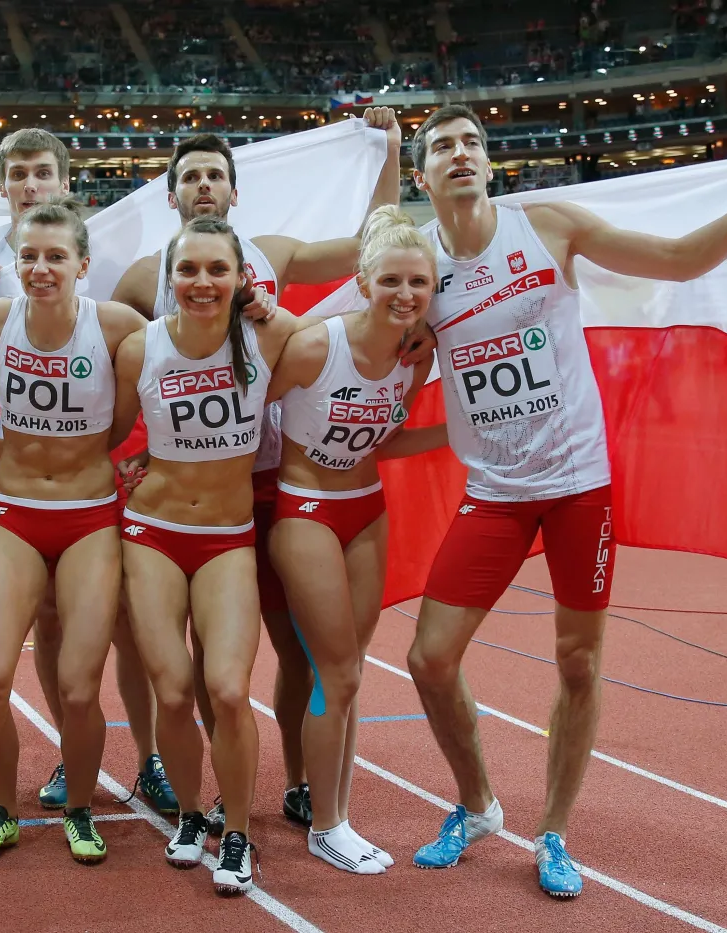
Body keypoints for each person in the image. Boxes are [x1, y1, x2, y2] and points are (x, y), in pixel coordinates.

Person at [403, 105, 727, 897]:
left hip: (575, 486)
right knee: (428, 657)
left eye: (472, 142)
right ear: (421, 175)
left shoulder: (547, 225)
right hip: (493, 491)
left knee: (579, 660)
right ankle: (477, 802)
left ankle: (553, 829)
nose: (460, 154)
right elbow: (358, 331)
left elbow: (677, 259)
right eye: (442, 147)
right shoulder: (420, 265)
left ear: (489, 164)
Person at [110, 109, 405, 832]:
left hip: (277, 478)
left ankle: (302, 780)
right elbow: (112, 360)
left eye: (215, 174)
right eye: (190, 176)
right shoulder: (146, 277)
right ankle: (214, 782)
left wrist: (392, 149)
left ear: (234, 194)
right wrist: (136, 449)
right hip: (192, 496)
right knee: (215, 658)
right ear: (169, 193)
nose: (203, 184)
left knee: (296, 644)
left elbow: (370, 245)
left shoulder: (272, 254)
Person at [0, 128, 178, 814]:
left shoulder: (115, 314)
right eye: (32, 256)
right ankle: (64, 758)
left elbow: (183, 362)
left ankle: (153, 758)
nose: (43, 265)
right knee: (44, 637)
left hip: (93, 506)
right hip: (22, 509)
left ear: (83, 261)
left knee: (130, 635)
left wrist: (138, 455)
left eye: (57, 255)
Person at [109, 217, 302, 895]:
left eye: (218, 269)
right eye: (187, 269)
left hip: (227, 538)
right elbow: (101, 432)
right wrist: (125, 462)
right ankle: (190, 814)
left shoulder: (268, 335)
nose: (201, 282)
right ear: (169, 280)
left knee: (225, 687)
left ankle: (240, 829)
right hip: (153, 532)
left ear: (242, 277)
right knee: (172, 689)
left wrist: (275, 306)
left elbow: (340, 348)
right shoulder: (140, 346)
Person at [266, 206, 445, 874]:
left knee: (350, 672)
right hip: (304, 509)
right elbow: (246, 407)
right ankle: (328, 823)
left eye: (418, 283)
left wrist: (459, 432)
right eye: (391, 280)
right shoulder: (317, 344)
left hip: (365, 510)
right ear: (364, 281)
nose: (404, 294)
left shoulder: (413, 356)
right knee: (334, 670)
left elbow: (388, 438)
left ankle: (331, 808)